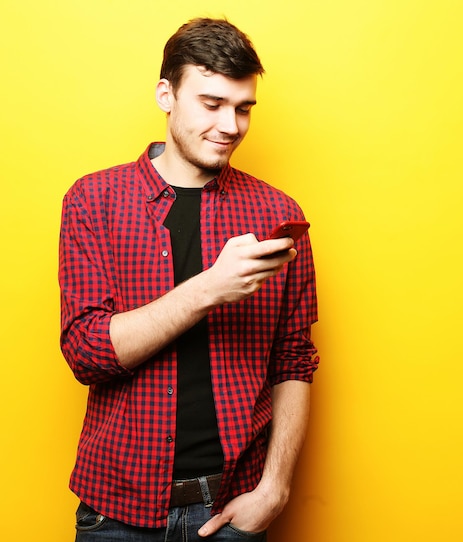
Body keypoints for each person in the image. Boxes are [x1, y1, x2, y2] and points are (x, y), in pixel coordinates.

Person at [59, 17, 319, 541]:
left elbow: (295, 357)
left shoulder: (276, 211)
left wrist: (275, 488)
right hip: (117, 514)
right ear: (166, 95)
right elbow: (87, 354)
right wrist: (209, 288)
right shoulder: (93, 202)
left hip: (232, 510)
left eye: (243, 108)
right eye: (212, 103)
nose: (230, 125)